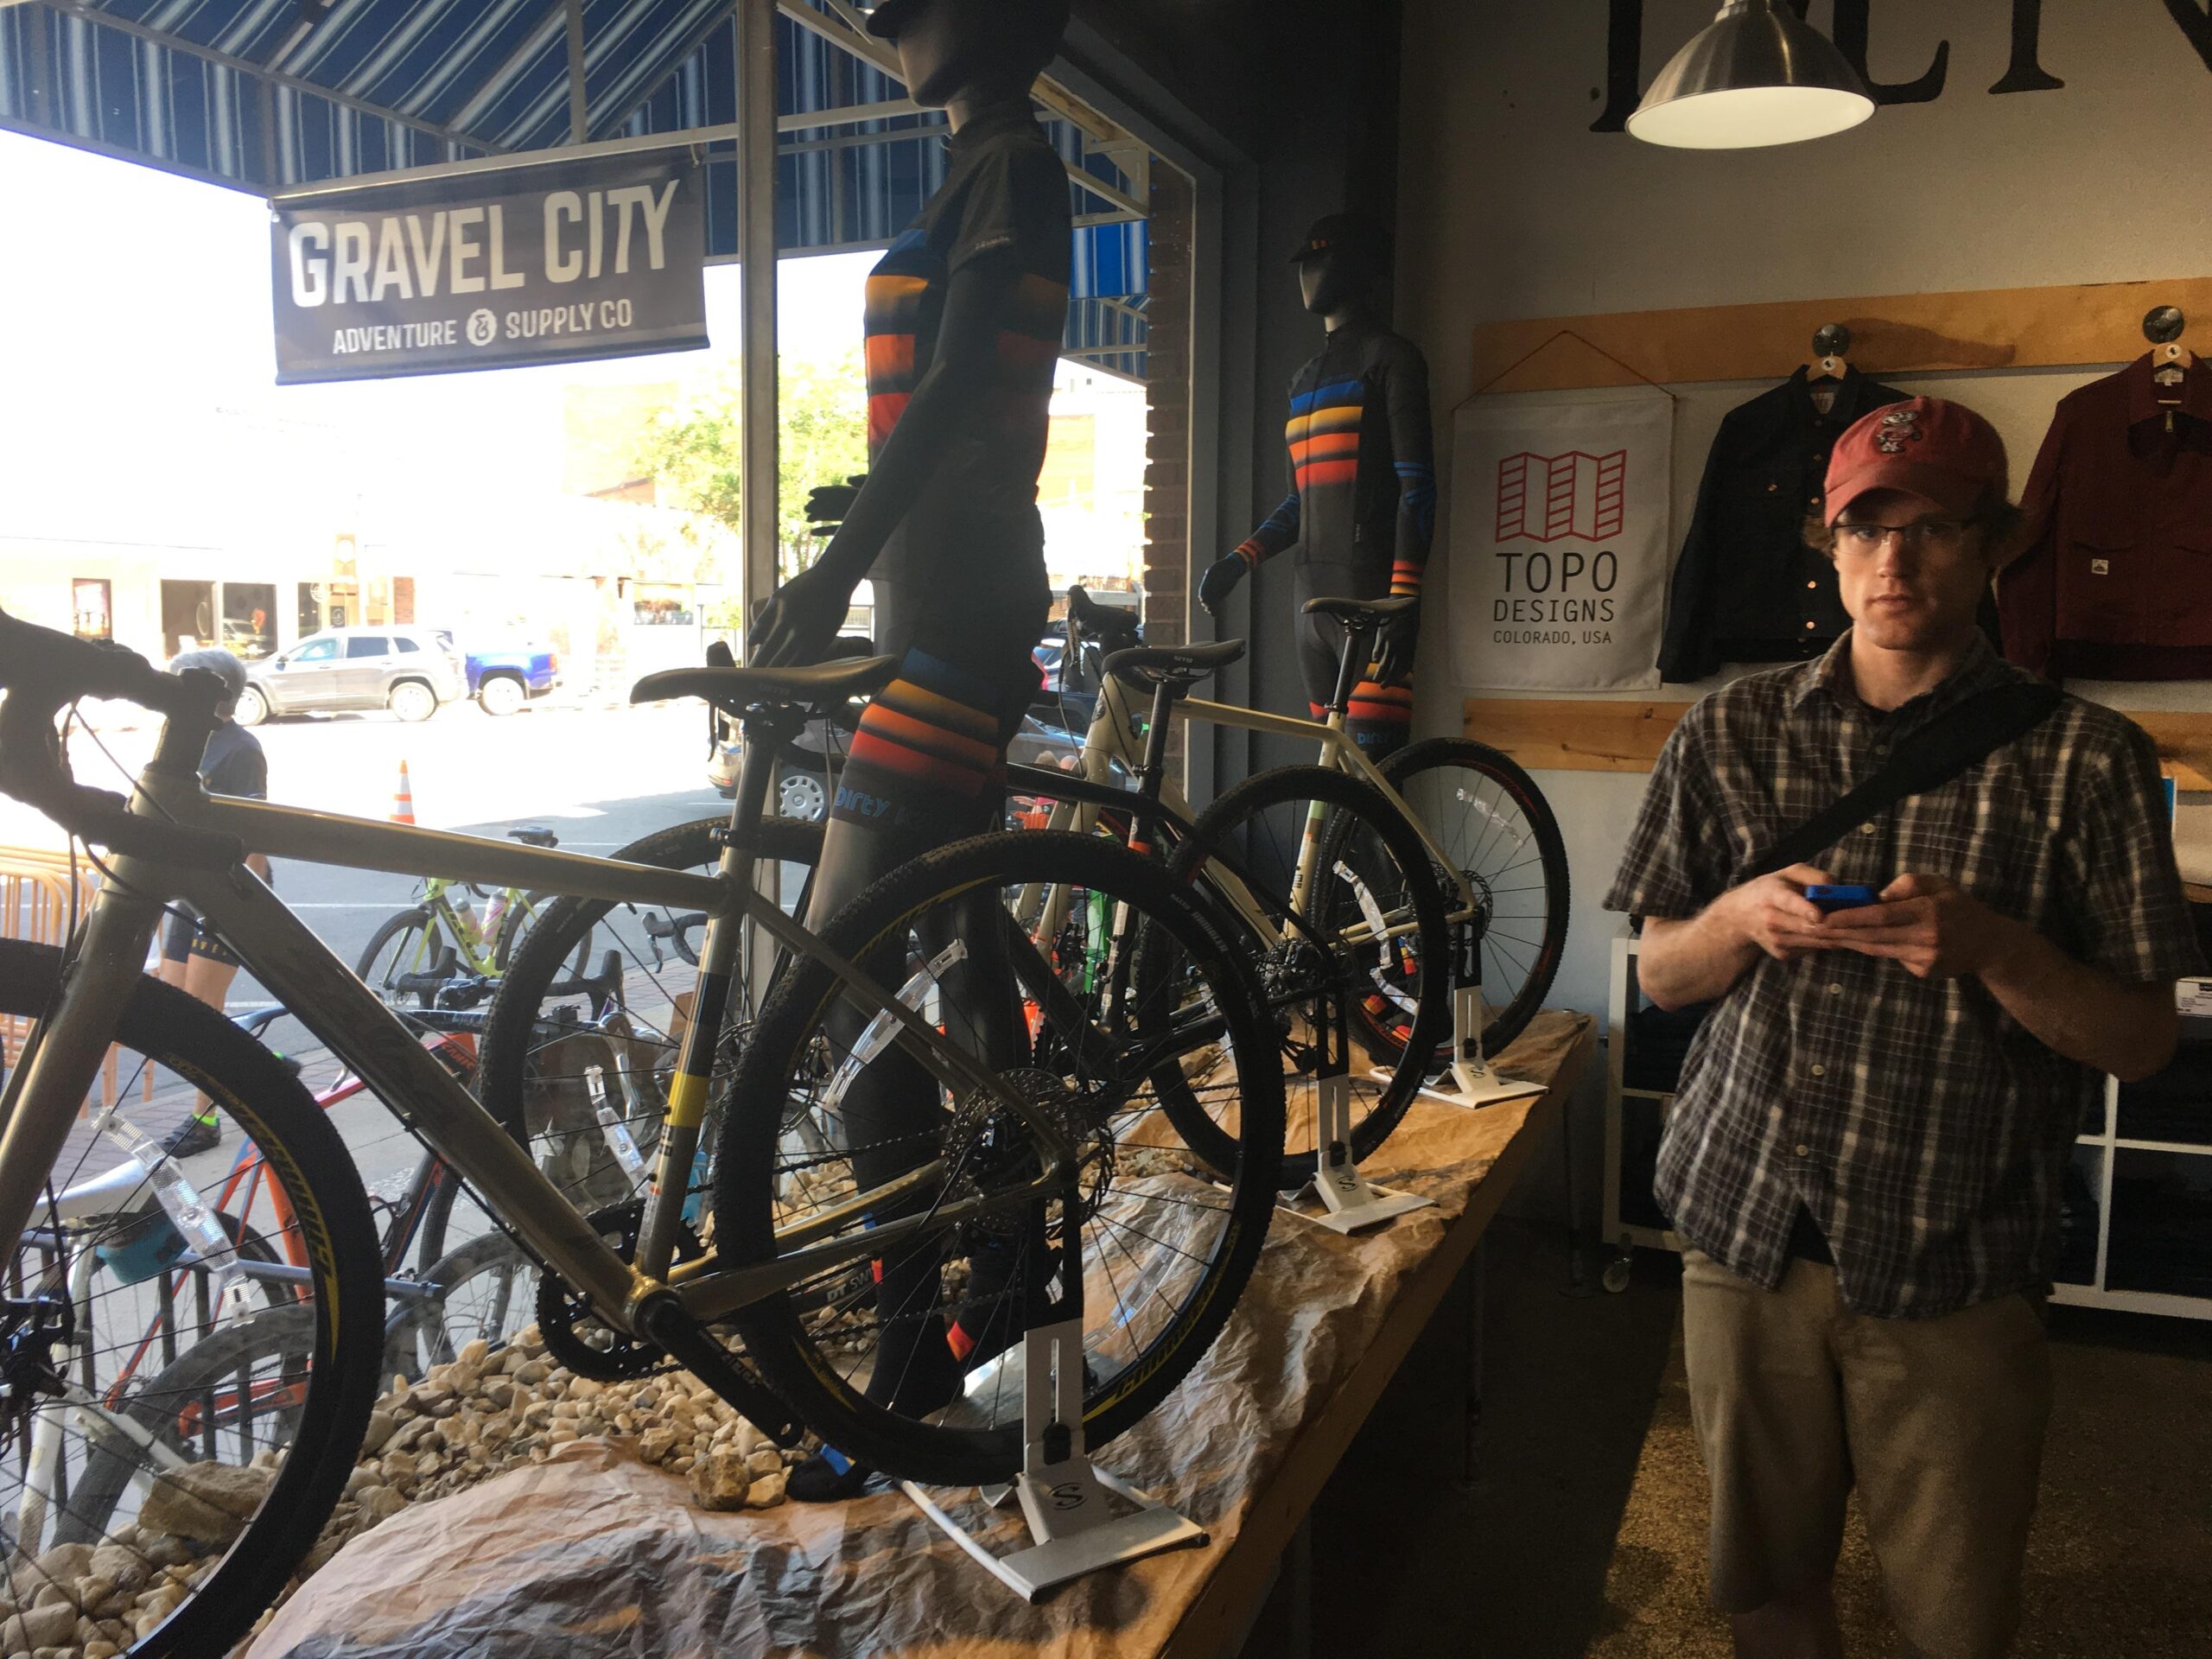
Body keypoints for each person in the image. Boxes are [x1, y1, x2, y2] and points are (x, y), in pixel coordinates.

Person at [1606, 396, 2202, 1659]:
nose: (1896, 561)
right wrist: (1737, 922)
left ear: (1994, 546)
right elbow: (1659, 974)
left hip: (1956, 1258)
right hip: (1744, 1229)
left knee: (1955, 1615)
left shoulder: (2087, 759)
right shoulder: (1729, 730)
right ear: (1827, 544)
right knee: (1762, 1586)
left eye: (1933, 528)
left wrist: (1995, 948)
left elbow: (2142, 1041)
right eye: (1867, 529)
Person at [746, 0, 1072, 1501]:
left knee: (845, 970)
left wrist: (831, 575)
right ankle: (995, 1287)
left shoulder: (1009, 162)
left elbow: (950, 396)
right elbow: (932, 411)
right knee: (952, 961)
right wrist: (849, 542)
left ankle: (912, 1342)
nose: (887, 19)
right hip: (939, 595)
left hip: (952, 610)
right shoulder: (978, 167)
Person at [1195, 213, 1436, 759]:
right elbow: (1299, 502)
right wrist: (1238, 561)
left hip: (1372, 597)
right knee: (1331, 786)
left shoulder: (1392, 360)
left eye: (1323, 258)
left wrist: (1404, 597)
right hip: (1309, 607)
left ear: (1358, 268)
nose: (1308, 272)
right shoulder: (1302, 380)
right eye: (1304, 261)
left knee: (1378, 790)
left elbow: (1417, 488)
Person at [156, 647, 273, 1157]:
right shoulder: (180, 740)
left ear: (216, 694)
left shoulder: (240, 749)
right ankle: (268, 1066)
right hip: (182, 889)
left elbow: (256, 837)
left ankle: (204, 1120)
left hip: (223, 893)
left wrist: (234, 904)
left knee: (202, 1010)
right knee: (173, 1005)